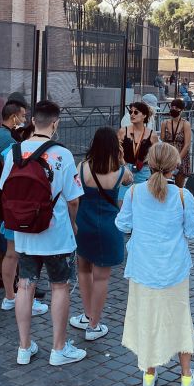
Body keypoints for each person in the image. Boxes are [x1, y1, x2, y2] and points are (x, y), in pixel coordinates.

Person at [0, 100, 86, 367]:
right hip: (56, 234)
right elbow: (73, 199)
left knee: (25, 285)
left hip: (24, 234)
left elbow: (5, 188)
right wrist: (73, 224)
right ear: (56, 123)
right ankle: (58, 348)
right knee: (60, 287)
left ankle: (24, 347)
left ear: (33, 121)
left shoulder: (14, 152)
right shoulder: (64, 155)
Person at [116, 143, 194, 386]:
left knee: (147, 319)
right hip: (174, 267)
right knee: (181, 318)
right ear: (175, 167)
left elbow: (122, 224)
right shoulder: (184, 195)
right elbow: (192, 231)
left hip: (143, 267)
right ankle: (186, 376)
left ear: (150, 163)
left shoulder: (133, 192)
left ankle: (149, 375)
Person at [70, 127, 133, 342]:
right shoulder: (121, 171)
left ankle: (87, 315)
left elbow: (75, 198)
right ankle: (94, 324)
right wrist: (121, 158)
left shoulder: (82, 167)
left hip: (84, 224)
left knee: (84, 270)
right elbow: (130, 180)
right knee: (102, 276)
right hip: (108, 226)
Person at [0, 100, 49, 317]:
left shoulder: (9, 144)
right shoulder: (14, 147)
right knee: (22, 254)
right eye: (22, 115)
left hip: (10, 203)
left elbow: (5, 180)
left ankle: (10, 297)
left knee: (12, 253)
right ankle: (23, 298)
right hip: (20, 205)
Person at [119, 101, 160, 201]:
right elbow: (117, 151)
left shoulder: (152, 135)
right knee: (122, 200)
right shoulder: (123, 131)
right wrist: (123, 165)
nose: (132, 115)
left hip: (143, 170)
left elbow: (156, 156)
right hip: (126, 168)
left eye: (136, 112)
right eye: (131, 112)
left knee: (143, 200)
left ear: (144, 115)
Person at [160, 98, 192, 188]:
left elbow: (187, 144)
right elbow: (163, 140)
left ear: (181, 110)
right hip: (167, 156)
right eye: (172, 107)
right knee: (164, 184)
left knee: (179, 186)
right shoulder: (164, 123)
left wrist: (178, 159)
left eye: (176, 108)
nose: (174, 109)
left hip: (181, 156)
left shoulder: (185, 124)